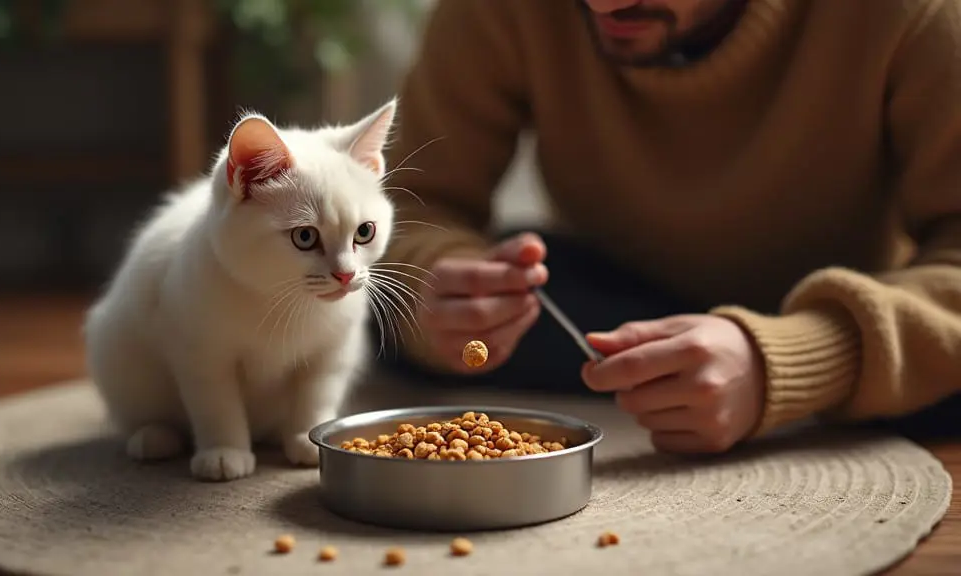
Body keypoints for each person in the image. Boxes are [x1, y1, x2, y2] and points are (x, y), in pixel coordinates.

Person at [374, 0, 961, 454]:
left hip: (856, 310)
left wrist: (788, 359)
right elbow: (412, 204)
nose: (603, 7)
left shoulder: (917, 14)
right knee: (393, 314)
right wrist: (436, 288)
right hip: (619, 305)